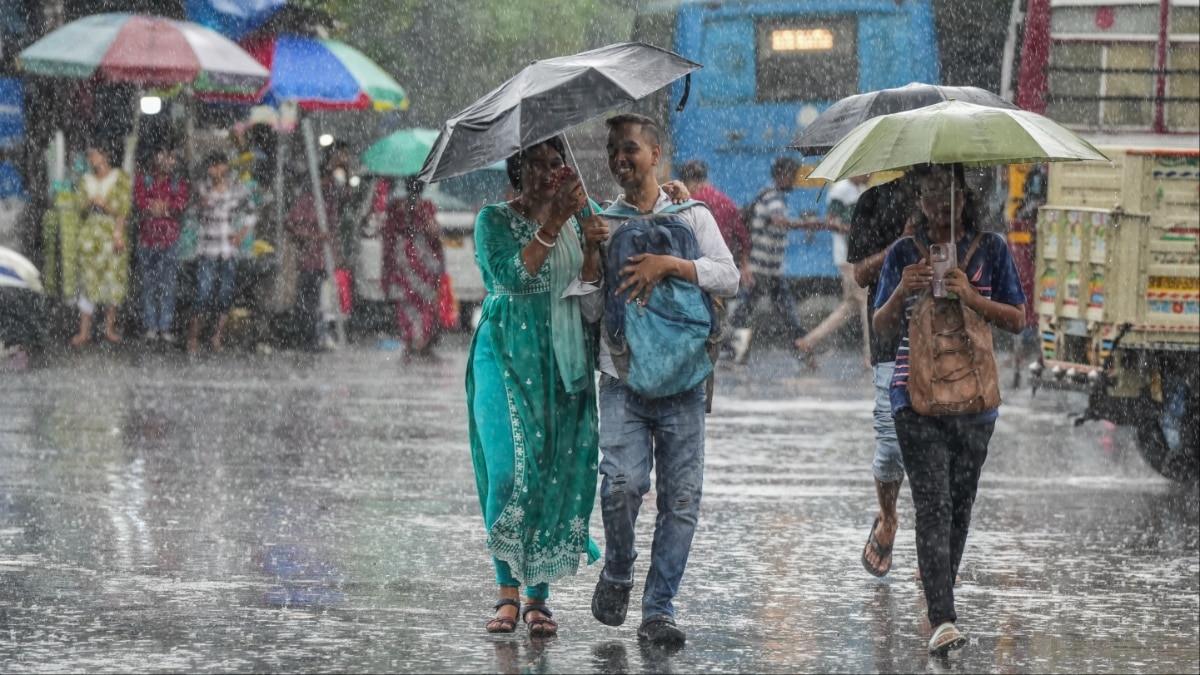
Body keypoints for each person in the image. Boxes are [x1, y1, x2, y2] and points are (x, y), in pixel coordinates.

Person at [590, 113, 738, 649]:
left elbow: (730, 276)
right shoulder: (601, 221)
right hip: (622, 377)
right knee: (622, 485)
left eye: (630, 148)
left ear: (656, 154)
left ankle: (658, 609)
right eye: (612, 150)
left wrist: (669, 265)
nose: (619, 159)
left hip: (685, 382)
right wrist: (590, 252)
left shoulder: (693, 215)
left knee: (681, 501)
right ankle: (619, 570)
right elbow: (589, 308)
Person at [873, 163, 1026, 655]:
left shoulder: (992, 249)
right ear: (917, 200)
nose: (939, 201)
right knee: (934, 502)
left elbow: (1018, 319)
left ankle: (939, 587)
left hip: (974, 400)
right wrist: (903, 287)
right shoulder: (902, 253)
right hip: (912, 397)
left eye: (948, 190)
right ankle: (942, 618)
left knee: (960, 504)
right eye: (929, 192)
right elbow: (879, 328)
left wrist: (972, 295)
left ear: (965, 195)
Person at [467, 136, 609, 637]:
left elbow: (591, 281)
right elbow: (511, 277)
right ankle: (506, 590)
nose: (550, 173)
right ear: (516, 170)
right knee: (507, 472)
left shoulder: (581, 210)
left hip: (562, 356)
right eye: (537, 165)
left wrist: (591, 242)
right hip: (504, 352)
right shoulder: (492, 220)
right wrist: (552, 221)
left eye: (557, 163)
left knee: (551, 472)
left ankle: (537, 598)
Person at [846, 173, 918, 580]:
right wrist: (900, 246)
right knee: (891, 444)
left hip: (941, 337)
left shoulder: (951, 199)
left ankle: (934, 547)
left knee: (936, 448)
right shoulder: (874, 202)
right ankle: (888, 517)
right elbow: (861, 273)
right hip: (890, 336)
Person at [727, 156, 817, 367]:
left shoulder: (771, 196)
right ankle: (728, 350)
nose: (794, 181)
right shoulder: (773, 197)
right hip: (761, 269)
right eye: (792, 176)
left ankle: (801, 352)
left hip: (771, 269)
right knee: (774, 312)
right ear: (782, 176)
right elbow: (779, 220)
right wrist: (807, 224)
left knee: (774, 312)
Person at [794, 174, 871, 367]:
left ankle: (808, 341)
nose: (871, 176)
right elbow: (829, 222)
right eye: (868, 172)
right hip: (849, 257)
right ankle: (871, 355)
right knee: (867, 304)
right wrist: (853, 230)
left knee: (851, 305)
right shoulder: (841, 190)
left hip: (856, 255)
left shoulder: (860, 190)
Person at [188, 152, 254, 354]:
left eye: (220, 166)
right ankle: (194, 337)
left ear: (226, 167)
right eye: (213, 166)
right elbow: (189, 212)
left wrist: (241, 236)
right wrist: (201, 205)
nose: (216, 170)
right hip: (207, 247)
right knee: (202, 293)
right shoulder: (201, 187)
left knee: (225, 294)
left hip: (228, 248)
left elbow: (251, 213)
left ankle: (217, 337)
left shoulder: (236, 187)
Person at [285, 145, 348, 351]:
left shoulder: (331, 201)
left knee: (324, 302)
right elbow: (290, 224)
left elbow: (343, 196)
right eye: (325, 179)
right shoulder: (306, 200)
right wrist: (313, 237)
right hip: (309, 260)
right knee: (308, 302)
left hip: (326, 261)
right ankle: (309, 338)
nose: (328, 184)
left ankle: (321, 336)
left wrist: (340, 165)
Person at [70, 142, 132, 346]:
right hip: (90, 235)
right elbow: (79, 206)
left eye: (93, 154)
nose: (90, 158)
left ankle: (109, 328)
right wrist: (90, 203)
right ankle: (84, 331)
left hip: (111, 233)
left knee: (112, 281)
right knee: (87, 282)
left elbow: (123, 208)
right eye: (88, 155)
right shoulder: (85, 179)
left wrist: (117, 232)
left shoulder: (120, 177)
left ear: (105, 154)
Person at [381, 176, 444, 359]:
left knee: (407, 304)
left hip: (402, 260)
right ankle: (421, 340)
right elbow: (434, 232)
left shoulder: (396, 207)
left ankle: (410, 339)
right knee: (424, 303)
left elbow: (388, 235)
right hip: (422, 260)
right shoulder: (425, 207)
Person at [135, 147, 189, 343]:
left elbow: (180, 203)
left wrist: (162, 206)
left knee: (168, 285)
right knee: (149, 285)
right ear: (155, 156)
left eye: (172, 156)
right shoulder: (144, 178)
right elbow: (140, 202)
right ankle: (151, 327)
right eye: (164, 154)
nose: (168, 160)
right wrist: (161, 206)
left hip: (170, 240)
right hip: (147, 240)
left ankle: (165, 327)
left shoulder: (178, 181)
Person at [677, 159, 748, 271]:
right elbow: (743, 239)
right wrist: (744, 266)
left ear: (690, 182)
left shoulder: (690, 203)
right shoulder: (727, 202)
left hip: (695, 269)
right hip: (722, 269)